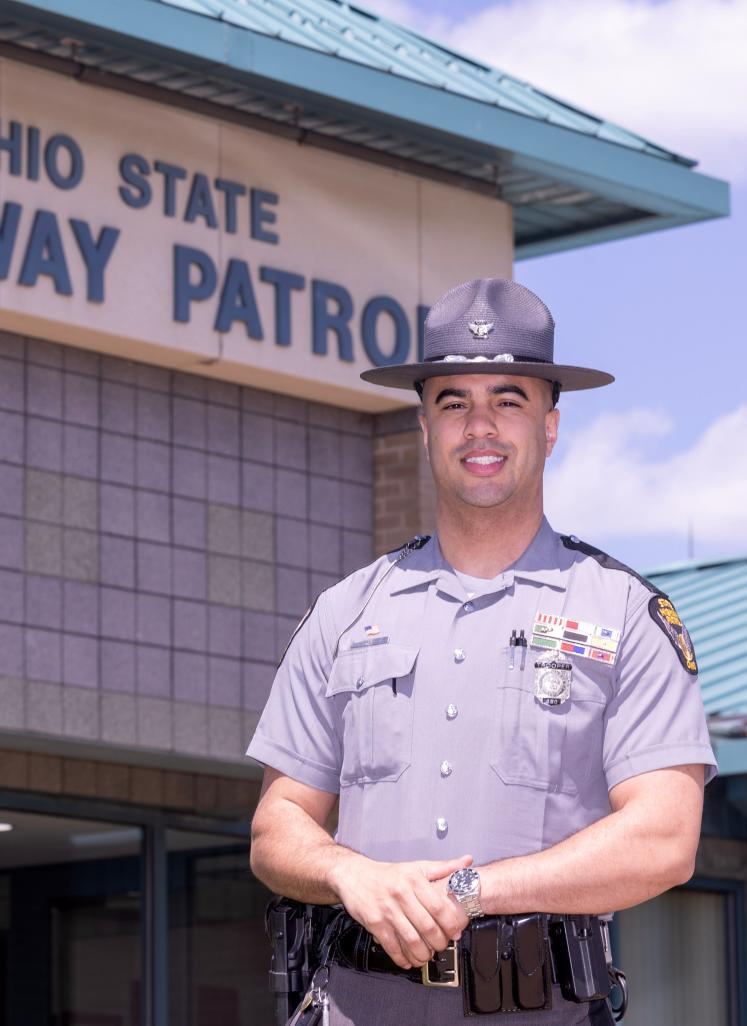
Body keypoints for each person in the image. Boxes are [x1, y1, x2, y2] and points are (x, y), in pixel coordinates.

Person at [246, 278, 716, 1025]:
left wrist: (469, 893)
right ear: (424, 427)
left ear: (551, 426)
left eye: (508, 400)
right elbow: (277, 829)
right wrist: (349, 873)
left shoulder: (623, 613)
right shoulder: (344, 614)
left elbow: (663, 840)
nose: (480, 426)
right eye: (453, 403)